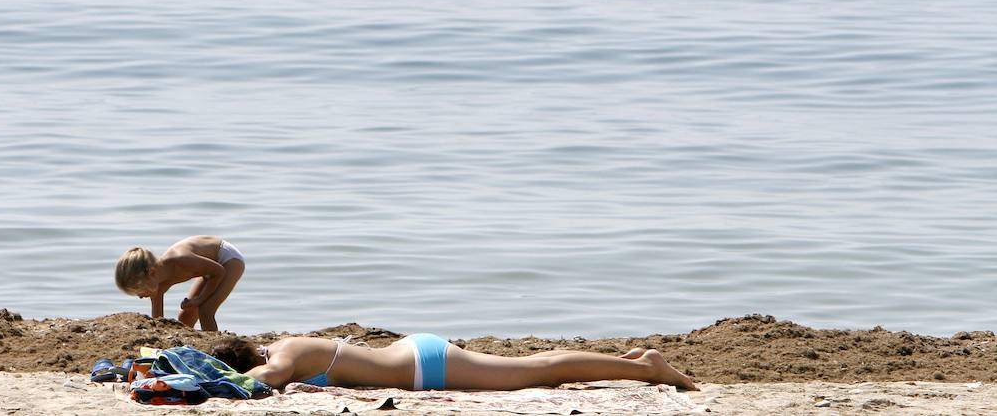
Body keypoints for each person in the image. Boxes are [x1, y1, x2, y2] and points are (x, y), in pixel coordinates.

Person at [210, 334, 697, 391]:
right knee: (537, 367)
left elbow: (264, 380)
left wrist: (211, 383)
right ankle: (631, 361)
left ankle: (648, 366)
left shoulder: (283, 354)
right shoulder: (282, 349)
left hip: (427, 366)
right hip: (415, 359)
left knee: (540, 370)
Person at [114, 235, 245, 332]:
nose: (141, 296)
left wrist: (199, 299)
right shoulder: (156, 287)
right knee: (185, 316)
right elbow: (158, 321)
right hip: (208, 269)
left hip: (227, 259)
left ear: (151, 273)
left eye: (139, 289)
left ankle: (216, 354)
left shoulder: (181, 259)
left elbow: (219, 272)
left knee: (206, 310)